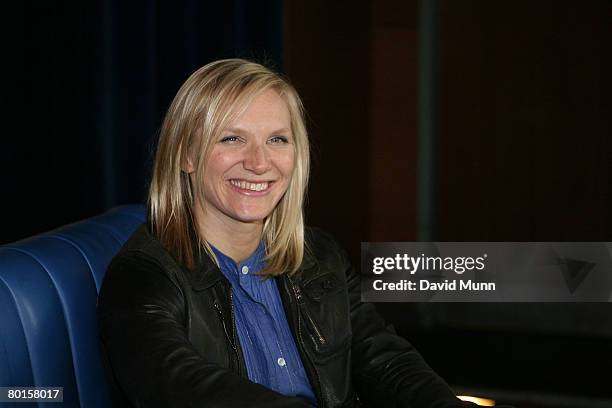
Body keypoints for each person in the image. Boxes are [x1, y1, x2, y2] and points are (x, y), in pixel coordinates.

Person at [97, 59, 474, 408]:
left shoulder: (320, 255)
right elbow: (184, 389)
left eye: (277, 139)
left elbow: (385, 361)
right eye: (231, 138)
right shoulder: (143, 277)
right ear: (186, 155)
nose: (259, 162)